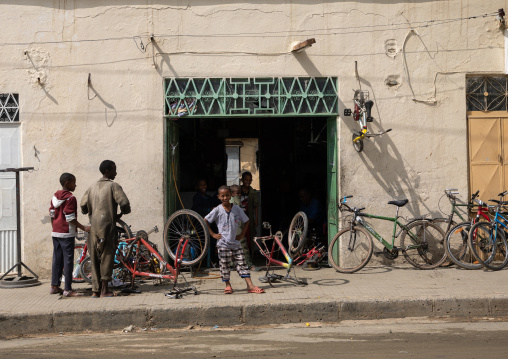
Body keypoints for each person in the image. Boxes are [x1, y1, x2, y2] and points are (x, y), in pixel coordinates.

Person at [80, 160, 131, 298]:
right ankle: (105, 290)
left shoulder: (91, 187)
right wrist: (124, 211)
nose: (116, 172)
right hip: (107, 226)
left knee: (95, 258)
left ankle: (95, 291)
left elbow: (83, 205)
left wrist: (88, 211)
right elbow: (124, 202)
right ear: (107, 171)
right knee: (107, 256)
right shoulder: (113, 186)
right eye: (114, 169)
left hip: (93, 228)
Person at [205, 185, 265, 294]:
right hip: (223, 244)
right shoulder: (217, 210)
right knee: (225, 265)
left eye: (227, 195)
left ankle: (250, 286)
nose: (225, 198)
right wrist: (213, 234)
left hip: (236, 244)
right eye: (222, 196)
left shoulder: (237, 209)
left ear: (231, 195)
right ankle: (228, 285)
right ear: (219, 197)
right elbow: (205, 220)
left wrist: (242, 234)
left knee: (242, 264)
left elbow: (246, 221)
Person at [49, 173, 90, 297]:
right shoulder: (71, 198)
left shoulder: (54, 197)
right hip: (66, 234)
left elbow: (51, 214)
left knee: (57, 259)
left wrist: (55, 226)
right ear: (67, 182)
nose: (75, 185)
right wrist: (84, 227)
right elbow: (70, 217)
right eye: (73, 182)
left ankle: (54, 286)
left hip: (56, 232)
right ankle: (67, 289)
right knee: (68, 261)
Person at [230, 184, 254, 269]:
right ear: (232, 194)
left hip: (237, 226)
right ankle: (249, 264)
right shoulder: (232, 202)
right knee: (243, 244)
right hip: (236, 227)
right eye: (237, 193)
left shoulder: (236, 201)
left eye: (240, 193)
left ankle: (232, 264)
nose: (239, 195)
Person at [239, 172, 259, 256]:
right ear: (242, 180)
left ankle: (250, 256)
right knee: (240, 236)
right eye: (246, 180)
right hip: (240, 220)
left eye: (249, 180)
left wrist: (256, 219)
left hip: (249, 218)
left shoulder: (252, 192)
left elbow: (256, 207)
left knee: (250, 237)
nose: (248, 181)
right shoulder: (238, 191)